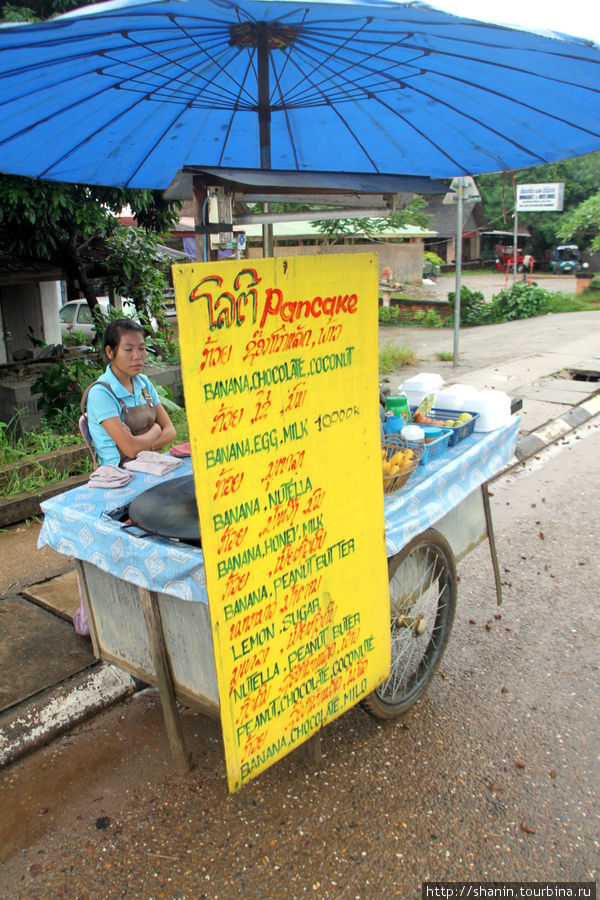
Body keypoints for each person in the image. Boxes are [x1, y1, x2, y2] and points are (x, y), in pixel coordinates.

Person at [85, 318, 176, 466]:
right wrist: (156, 429)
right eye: (128, 350)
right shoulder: (101, 393)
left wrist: (144, 445)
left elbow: (170, 431)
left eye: (141, 348)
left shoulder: (143, 383)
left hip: (150, 465)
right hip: (120, 475)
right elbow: (131, 449)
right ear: (110, 352)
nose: (137, 356)